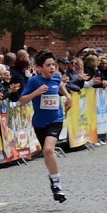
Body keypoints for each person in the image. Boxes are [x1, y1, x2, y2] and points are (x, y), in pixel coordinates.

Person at [18, 52, 73, 202]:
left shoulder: (56, 77)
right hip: (39, 123)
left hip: (56, 119)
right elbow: (21, 101)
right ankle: (53, 179)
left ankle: (57, 185)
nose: (52, 68)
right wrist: (36, 93)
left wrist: (68, 97)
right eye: (48, 65)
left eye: (53, 65)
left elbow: (60, 85)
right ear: (39, 68)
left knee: (49, 149)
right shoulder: (34, 81)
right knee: (47, 153)